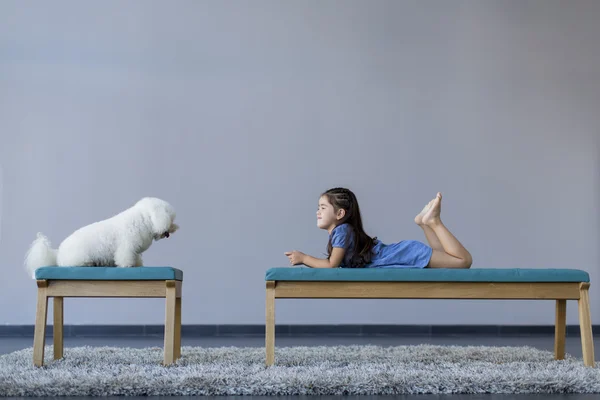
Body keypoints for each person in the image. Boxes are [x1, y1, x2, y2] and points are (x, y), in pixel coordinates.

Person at [285, 187, 472, 269]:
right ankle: (425, 223)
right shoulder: (342, 231)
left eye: (323, 208)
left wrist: (304, 258)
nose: (317, 212)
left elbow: (331, 265)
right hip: (404, 253)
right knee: (449, 262)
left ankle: (434, 222)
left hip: (405, 254)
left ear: (340, 214)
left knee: (463, 262)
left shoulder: (342, 231)